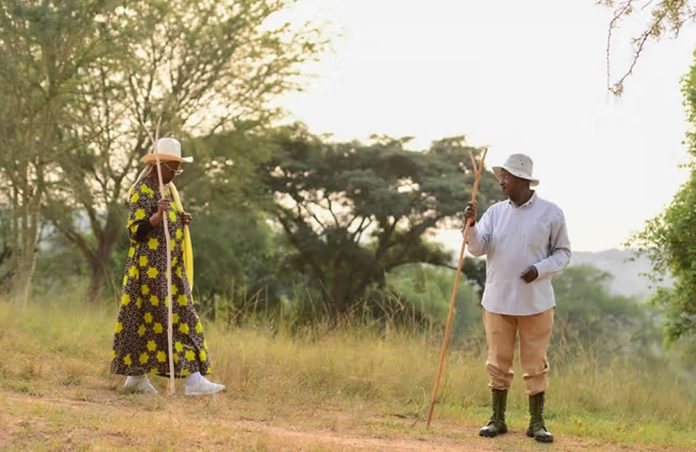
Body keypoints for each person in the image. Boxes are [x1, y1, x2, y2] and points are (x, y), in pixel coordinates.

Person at [464, 153, 570, 443]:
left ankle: (537, 423)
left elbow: (563, 253)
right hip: (497, 301)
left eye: (506, 177)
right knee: (497, 362)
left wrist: (539, 269)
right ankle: (497, 419)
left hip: (536, 303)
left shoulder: (551, 213)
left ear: (522, 180)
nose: (501, 181)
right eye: (501, 176)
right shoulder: (495, 212)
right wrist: (470, 226)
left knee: (536, 364)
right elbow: (476, 248)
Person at [111, 137, 225, 396]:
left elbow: (166, 225)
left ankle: (192, 379)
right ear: (159, 164)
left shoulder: (168, 191)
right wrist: (158, 216)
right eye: (173, 167)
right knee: (151, 320)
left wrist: (179, 218)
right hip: (149, 271)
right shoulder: (143, 190)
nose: (176, 173)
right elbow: (135, 231)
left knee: (183, 317)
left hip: (170, 269)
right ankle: (138, 378)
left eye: (178, 168)